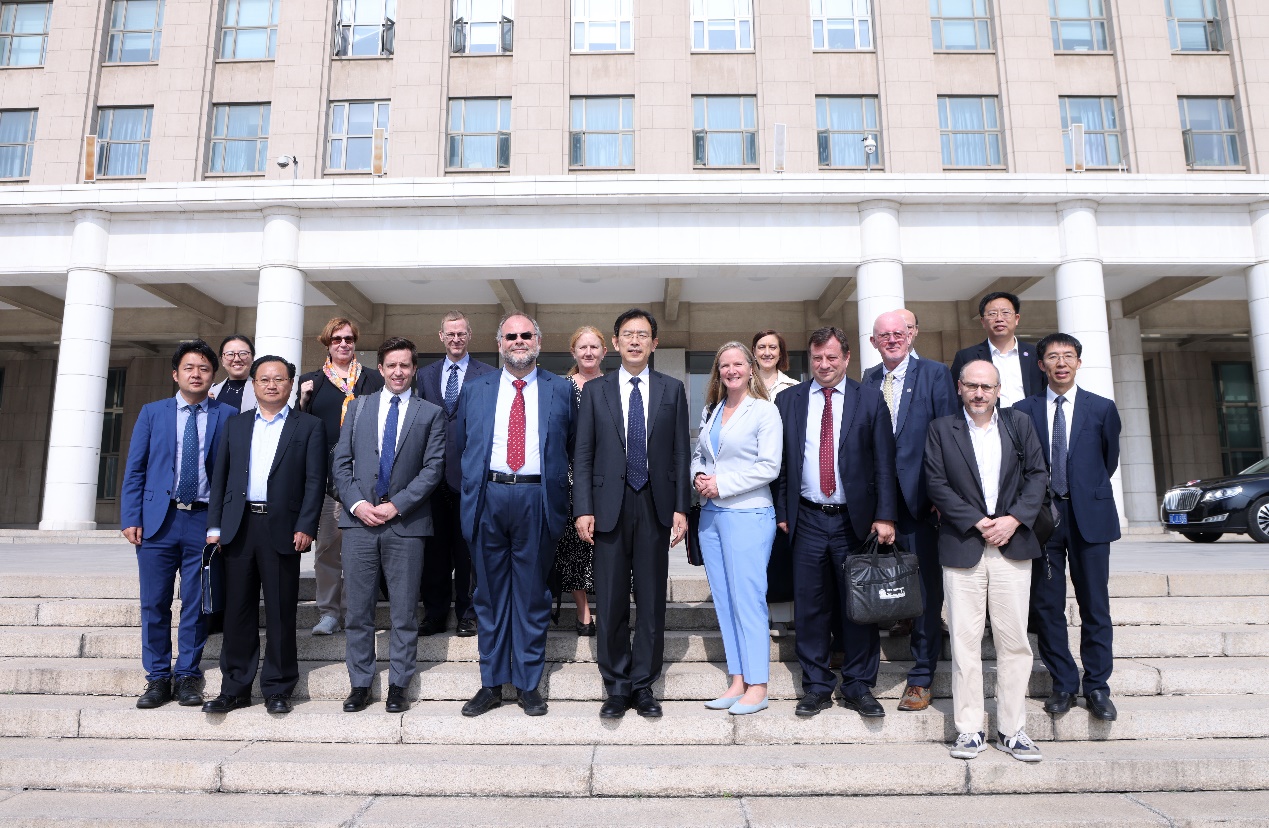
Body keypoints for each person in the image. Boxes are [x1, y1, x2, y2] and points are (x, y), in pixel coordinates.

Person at [924, 359, 1048, 762]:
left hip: (1013, 543)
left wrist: (1013, 520)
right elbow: (936, 484)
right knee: (964, 642)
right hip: (964, 544)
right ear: (960, 388)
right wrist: (978, 522)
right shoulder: (941, 429)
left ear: (998, 390)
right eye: (972, 386)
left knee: (1015, 643)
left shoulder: (1019, 424)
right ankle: (969, 730)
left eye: (987, 387)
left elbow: (1038, 475)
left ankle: (1013, 730)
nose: (979, 393)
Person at [773, 326, 897, 719]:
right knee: (810, 607)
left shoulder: (869, 399)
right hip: (807, 518)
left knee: (859, 607)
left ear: (846, 358)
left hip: (854, 522)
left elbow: (884, 462)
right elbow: (782, 464)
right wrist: (782, 513)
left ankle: (859, 685)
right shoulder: (789, 400)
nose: (824, 365)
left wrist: (885, 515)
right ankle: (816, 686)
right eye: (817, 358)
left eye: (831, 357)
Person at [455, 313, 576, 718]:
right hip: (487, 496)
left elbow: (572, 446)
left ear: (538, 341)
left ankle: (527, 684)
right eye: (511, 336)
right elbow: (462, 447)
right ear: (499, 343)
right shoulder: (476, 389)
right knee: (488, 596)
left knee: (532, 595)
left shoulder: (562, 389)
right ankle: (491, 683)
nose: (519, 341)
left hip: (536, 498)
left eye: (526, 335)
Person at [574, 308, 690, 720]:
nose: (635, 341)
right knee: (610, 600)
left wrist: (682, 507)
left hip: (655, 505)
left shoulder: (672, 389)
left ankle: (643, 685)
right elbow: (583, 454)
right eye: (628, 334)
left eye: (643, 335)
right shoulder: (596, 391)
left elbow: (680, 453)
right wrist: (583, 508)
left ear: (654, 343)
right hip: (609, 506)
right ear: (616, 342)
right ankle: (617, 686)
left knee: (652, 600)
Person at [203, 356, 326, 715]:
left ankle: (278, 687)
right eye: (264, 379)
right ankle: (235, 688)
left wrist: (306, 525)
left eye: (279, 379)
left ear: (290, 384)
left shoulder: (309, 426)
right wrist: (215, 527)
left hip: (283, 528)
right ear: (254, 384)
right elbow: (221, 478)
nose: (272, 385)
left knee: (281, 611)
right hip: (239, 527)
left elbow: (315, 481)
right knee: (237, 612)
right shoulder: (236, 424)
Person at [331, 337, 446, 714]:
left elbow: (433, 469)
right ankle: (360, 683)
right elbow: (341, 463)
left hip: (406, 525)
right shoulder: (358, 407)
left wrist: (397, 505)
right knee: (358, 611)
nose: (398, 372)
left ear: (414, 369)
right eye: (391, 365)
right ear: (380, 369)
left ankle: (399, 684)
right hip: (359, 523)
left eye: (405, 365)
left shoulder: (430, 413)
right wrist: (358, 504)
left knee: (404, 611)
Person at [120, 340, 235, 710]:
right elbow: (135, 468)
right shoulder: (153, 413)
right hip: (158, 521)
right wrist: (131, 516)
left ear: (213, 376)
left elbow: (232, 474)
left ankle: (187, 674)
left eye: (204, 368)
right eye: (189, 368)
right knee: (154, 602)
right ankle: (157, 677)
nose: (196, 374)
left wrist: (224, 523)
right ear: (175, 374)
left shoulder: (227, 414)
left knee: (197, 603)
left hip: (204, 521)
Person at [1014, 333, 1122, 722]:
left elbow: (1107, 459)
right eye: (1053, 357)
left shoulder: (1102, 408)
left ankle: (1097, 687)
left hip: (1089, 517)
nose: (1061, 362)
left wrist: (1080, 489)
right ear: (1040, 365)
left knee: (1095, 603)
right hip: (1043, 519)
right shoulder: (1022, 411)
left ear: (1078, 362)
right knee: (1047, 605)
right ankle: (1063, 683)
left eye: (1068, 356)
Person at [862, 310, 958, 712]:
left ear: (912, 334)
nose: (892, 339)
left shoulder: (935, 374)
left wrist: (942, 494)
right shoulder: (868, 379)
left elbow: (948, 434)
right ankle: (859, 669)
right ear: (873, 341)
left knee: (925, 590)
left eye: (898, 333)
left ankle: (921, 676)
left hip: (922, 501)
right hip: (877, 504)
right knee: (872, 582)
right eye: (884, 335)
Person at [690, 342, 781, 715]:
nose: (731, 370)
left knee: (748, 600)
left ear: (750, 368)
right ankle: (738, 680)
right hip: (711, 516)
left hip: (748, 514)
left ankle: (758, 686)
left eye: (738, 364)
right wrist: (698, 475)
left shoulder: (764, 411)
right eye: (724, 365)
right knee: (726, 602)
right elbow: (700, 454)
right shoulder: (712, 410)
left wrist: (722, 484)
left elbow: (769, 466)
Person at [298, 318, 385, 637]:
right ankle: (329, 612)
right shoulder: (312, 382)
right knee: (327, 548)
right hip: (327, 479)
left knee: (360, 550)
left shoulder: (374, 379)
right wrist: (303, 401)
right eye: (337, 339)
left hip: (364, 480)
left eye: (349, 339)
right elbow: (301, 430)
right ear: (327, 343)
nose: (344, 344)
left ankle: (355, 611)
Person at [414, 310, 497, 637]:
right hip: (432, 479)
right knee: (434, 551)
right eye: (450, 334)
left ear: (469, 335)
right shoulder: (424, 376)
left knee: (468, 552)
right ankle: (434, 613)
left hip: (472, 478)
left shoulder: (488, 375)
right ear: (441, 336)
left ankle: (468, 613)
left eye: (461, 333)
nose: (456, 339)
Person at [555, 326, 607, 636]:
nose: (588, 352)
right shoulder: (561, 389)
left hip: (609, 476)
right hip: (571, 476)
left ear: (604, 351)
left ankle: (610, 606)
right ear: (573, 352)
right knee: (575, 544)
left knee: (608, 543)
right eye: (582, 347)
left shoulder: (614, 386)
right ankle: (583, 611)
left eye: (594, 347)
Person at [752, 329, 799, 635]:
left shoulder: (794, 387)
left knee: (782, 546)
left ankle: (783, 612)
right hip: (751, 476)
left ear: (781, 353)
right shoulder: (743, 383)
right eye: (761, 347)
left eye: (773, 347)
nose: (767, 352)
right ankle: (757, 612)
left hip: (784, 473)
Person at [950, 292, 1045, 408]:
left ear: (1016, 319)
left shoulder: (1036, 354)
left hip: (1030, 417)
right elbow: (954, 397)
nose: (999, 318)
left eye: (1005, 313)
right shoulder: (966, 357)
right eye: (992, 314)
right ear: (983, 321)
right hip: (987, 418)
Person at [209, 335, 256, 412]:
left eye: (243, 353)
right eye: (230, 354)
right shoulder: (211, 391)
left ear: (253, 358)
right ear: (222, 360)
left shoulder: (262, 390)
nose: (237, 359)